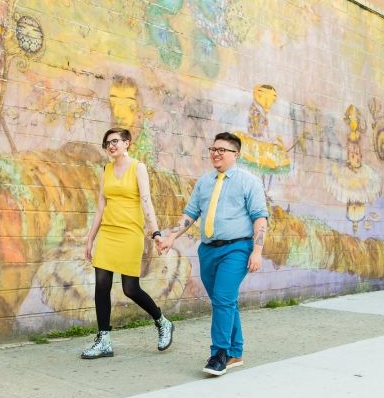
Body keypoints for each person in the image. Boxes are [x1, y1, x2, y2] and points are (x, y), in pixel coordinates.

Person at [158, 132, 268, 375]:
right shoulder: (205, 181)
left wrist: (257, 252)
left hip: (237, 248)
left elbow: (260, 218)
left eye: (222, 150)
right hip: (208, 250)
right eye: (213, 149)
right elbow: (190, 213)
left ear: (235, 155)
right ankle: (235, 352)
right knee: (224, 301)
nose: (216, 153)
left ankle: (219, 353)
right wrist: (171, 237)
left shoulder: (248, 182)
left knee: (222, 299)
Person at [82, 128, 174, 359]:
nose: (111, 146)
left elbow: (146, 202)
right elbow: (101, 205)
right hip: (108, 233)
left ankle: (162, 322)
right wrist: (90, 239)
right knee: (101, 285)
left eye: (115, 141)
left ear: (127, 143)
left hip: (130, 233)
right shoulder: (106, 170)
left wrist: (155, 233)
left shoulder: (138, 167)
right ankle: (104, 340)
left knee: (130, 289)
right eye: (107, 143)